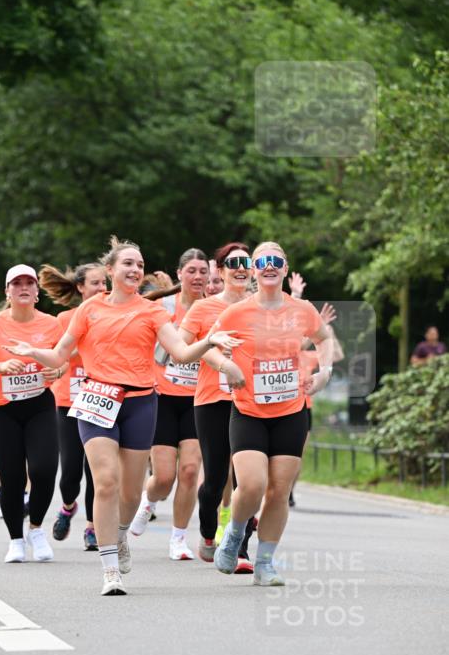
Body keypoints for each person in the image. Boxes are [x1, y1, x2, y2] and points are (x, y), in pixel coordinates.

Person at [8, 236, 238, 596]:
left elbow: (179, 353)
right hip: (97, 398)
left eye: (140, 265)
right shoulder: (90, 310)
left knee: (130, 493)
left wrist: (209, 341)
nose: (135, 270)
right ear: (111, 270)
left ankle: (120, 533)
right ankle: (109, 568)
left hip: (140, 403)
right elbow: (59, 355)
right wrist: (32, 351)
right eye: (128, 263)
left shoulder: (151, 311)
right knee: (106, 482)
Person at [213, 241, 334, 585]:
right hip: (249, 410)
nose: (269, 266)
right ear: (253, 269)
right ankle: (235, 534)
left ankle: (265, 563)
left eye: (275, 261)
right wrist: (226, 365)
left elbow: (323, 339)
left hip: (290, 411)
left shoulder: (302, 309)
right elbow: (209, 347)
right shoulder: (236, 313)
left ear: (284, 267)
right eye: (262, 261)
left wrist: (324, 372)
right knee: (252, 484)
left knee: (279, 491)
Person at [0, 264, 62, 563]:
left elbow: (63, 362)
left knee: (44, 469)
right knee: (11, 476)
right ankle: (16, 540)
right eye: (16, 283)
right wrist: (0, 366)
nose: (23, 287)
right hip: (1, 409)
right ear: (7, 292)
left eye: (29, 283)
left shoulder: (51, 324)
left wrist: (56, 370)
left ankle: (36, 527)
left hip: (39, 405)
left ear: (37, 292)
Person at [179, 242, 256, 568]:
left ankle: (239, 547)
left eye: (246, 262)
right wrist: (221, 362)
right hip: (213, 400)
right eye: (233, 263)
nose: (241, 268)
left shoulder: (260, 306)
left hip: (251, 402)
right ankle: (209, 532)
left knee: (248, 481)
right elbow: (182, 346)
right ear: (220, 271)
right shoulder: (203, 308)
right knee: (214, 479)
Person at [129, 248, 209, 560]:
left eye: (203, 271)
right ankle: (148, 502)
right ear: (179, 274)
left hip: (196, 400)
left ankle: (178, 539)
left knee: (190, 471)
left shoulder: (213, 308)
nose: (198, 277)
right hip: (161, 397)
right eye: (192, 271)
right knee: (164, 478)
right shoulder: (161, 307)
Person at [39, 261, 108, 550]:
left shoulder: (114, 316)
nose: (102, 289)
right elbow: (57, 355)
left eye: (105, 283)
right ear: (80, 287)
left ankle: (92, 527)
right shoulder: (64, 319)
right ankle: (68, 506)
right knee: (70, 473)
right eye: (95, 283)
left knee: (96, 471)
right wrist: (57, 368)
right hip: (69, 401)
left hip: (102, 400)